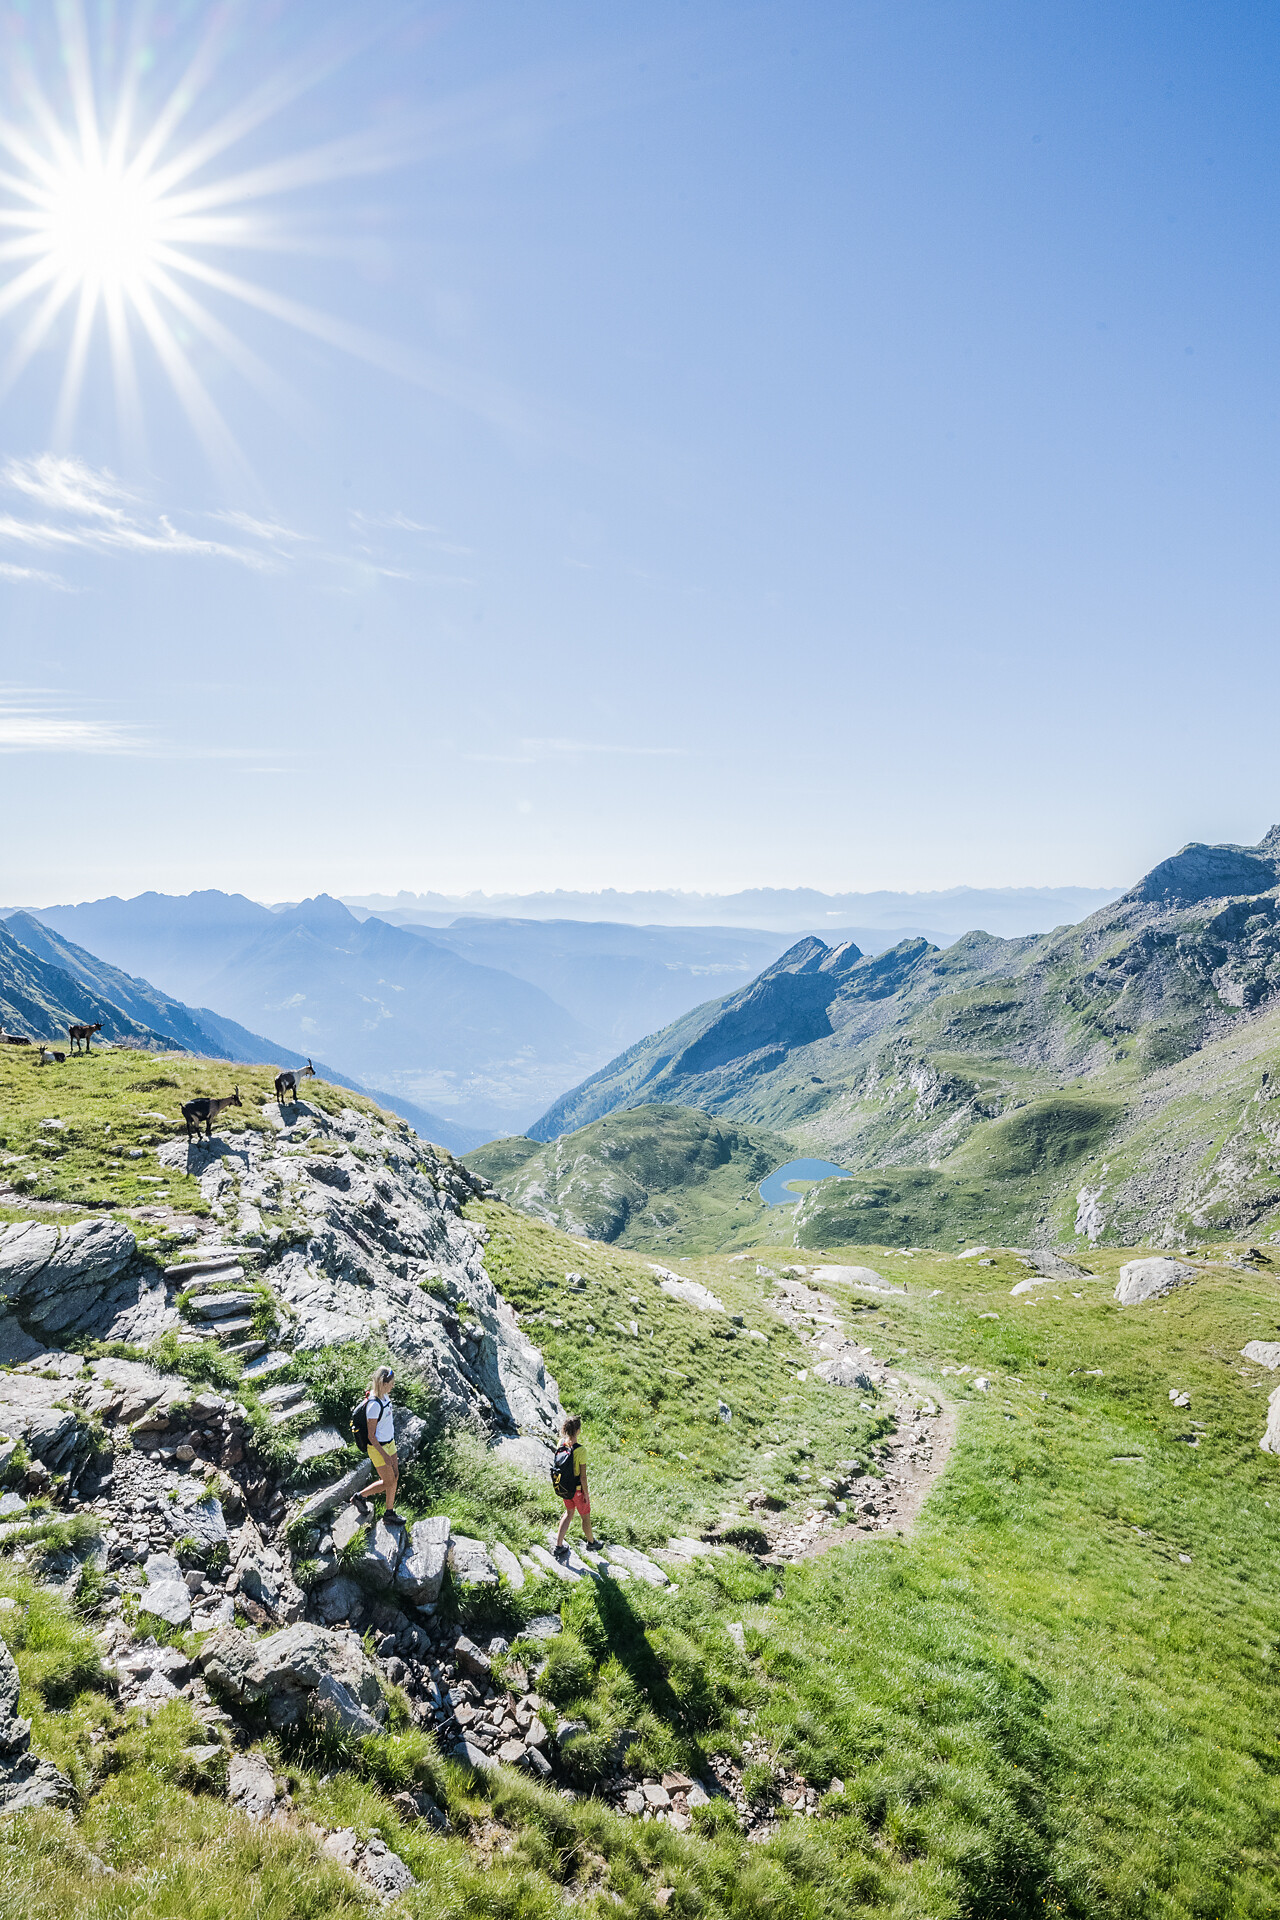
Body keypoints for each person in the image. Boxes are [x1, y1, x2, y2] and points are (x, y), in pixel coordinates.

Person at [358, 1366, 403, 1528]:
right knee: (388, 1481)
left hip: (390, 1443)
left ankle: (389, 1512)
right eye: (391, 1383)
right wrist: (384, 1455)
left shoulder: (384, 1396)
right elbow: (371, 1436)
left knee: (395, 1477)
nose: (393, 1385)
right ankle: (360, 1497)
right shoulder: (374, 1406)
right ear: (384, 1384)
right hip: (379, 1448)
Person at [554, 1414, 597, 1558]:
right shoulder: (580, 1450)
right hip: (577, 1490)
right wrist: (586, 1493)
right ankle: (591, 1543)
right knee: (585, 1518)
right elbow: (583, 1476)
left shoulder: (561, 1443)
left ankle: (558, 1545)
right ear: (578, 1430)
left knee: (569, 1513)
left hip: (565, 1488)